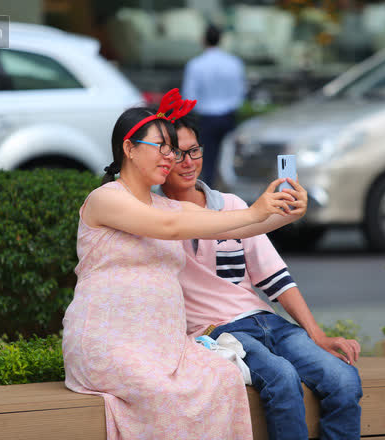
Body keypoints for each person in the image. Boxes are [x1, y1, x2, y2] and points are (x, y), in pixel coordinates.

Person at [61, 89, 308, 440]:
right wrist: (256, 210)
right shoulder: (105, 199)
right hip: (109, 343)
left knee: (224, 380)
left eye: (172, 149)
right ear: (129, 149)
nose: (171, 157)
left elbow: (238, 223)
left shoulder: (168, 207)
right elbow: (169, 228)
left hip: (163, 347)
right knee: (164, 395)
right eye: (161, 147)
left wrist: (283, 212)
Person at [159, 115, 363, 440]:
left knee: (343, 379)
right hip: (217, 334)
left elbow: (275, 278)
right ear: (161, 157)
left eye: (194, 151)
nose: (187, 162)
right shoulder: (153, 215)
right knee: (281, 377)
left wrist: (318, 335)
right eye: (176, 153)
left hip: (267, 322)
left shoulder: (232, 205)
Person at [182, 24, 245, 186]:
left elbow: (189, 95)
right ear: (221, 39)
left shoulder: (196, 64)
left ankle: (210, 192)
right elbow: (240, 92)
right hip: (228, 115)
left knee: (208, 158)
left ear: (203, 40)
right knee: (230, 157)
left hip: (206, 117)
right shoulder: (233, 63)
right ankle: (230, 190)